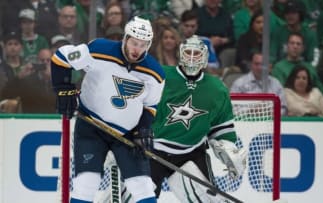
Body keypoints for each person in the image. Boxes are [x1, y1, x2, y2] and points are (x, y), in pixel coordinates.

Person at [50, 16, 165, 203]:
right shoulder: (98, 50)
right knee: (86, 183)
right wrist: (63, 89)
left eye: (143, 45)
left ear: (149, 44)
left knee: (142, 185)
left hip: (127, 133)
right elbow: (61, 58)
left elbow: (150, 106)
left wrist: (143, 129)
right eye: (134, 43)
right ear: (126, 38)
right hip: (91, 127)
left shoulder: (155, 73)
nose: (137, 49)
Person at [150, 35, 246, 202]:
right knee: (134, 197)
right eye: (188, 53)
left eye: (197, 54)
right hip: (153, 150)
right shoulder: (161, 76)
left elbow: (221, 129)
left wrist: (229, 153)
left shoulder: (216, 88)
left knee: (206, 200)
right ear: (181, 54)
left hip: (191, 152)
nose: (192, 58)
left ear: (205, 57)